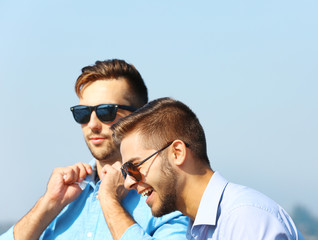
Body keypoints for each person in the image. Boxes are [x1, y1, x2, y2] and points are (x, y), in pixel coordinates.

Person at [0, 60, 188, 239]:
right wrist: (48, 204)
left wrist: (109, 202)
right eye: (82, 113)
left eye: (106, 112)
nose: (92, 124)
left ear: (141, 116)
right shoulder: (63, 199)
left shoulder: (168, 199)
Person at [110, 97, 305, 240]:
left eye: (134, 167)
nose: (128, 182)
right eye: (126, 172)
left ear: (177, 152)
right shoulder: (197, 229)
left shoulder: (244, 219)